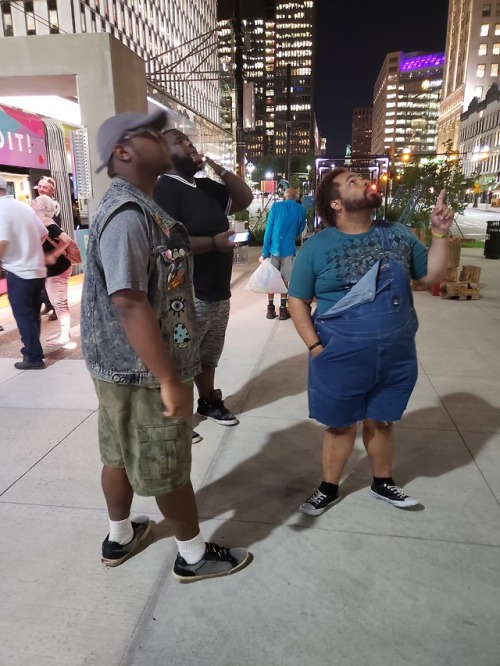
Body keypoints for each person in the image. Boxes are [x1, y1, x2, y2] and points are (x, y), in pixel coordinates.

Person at [80, 109, 251, 581]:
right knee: (166, 464)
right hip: (141, 372)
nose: (165, 139)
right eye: (152, 134)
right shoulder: (130, 215)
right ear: (125, 152)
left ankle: (120, 535)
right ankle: (193, 556)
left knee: (117, 452)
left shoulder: (145, 206)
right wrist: (169, 379)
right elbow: (130, 302)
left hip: (124, 368)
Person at [288, 167, 454, 516]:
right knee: (340, 424)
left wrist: (440, 233)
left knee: (381, 420)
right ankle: (329, 487)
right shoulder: (316, 246)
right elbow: (297, 300)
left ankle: (382, 482)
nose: (365, 182)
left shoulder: (398, 234)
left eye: (362, 178)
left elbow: (431, 276)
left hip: (396, 354)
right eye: (353, 182)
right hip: (338, 355)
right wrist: (316, 347)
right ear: (335, 203)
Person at [154, 130, 253, 440]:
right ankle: (176, 417)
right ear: (165, 154)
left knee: (209, 353)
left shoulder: (208, 186)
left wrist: (218, 167)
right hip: (185, 293)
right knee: (182, 357)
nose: (189, 144)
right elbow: (167, 244)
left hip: (217, 289)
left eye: (190, 141)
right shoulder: (164, 190)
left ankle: (208, 401)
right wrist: (213, 243)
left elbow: (245, 198)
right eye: (180, 142)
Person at [0, 176, 48, 369]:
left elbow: (2, 242)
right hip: (37, 270)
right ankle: (32, 351)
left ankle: (34, 357)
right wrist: (29, 250)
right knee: (33, 315)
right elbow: (43, 233)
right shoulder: (24, 207)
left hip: (19, 272)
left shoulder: (1, 210)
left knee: (24, 316)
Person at [260, 187, 306, 320]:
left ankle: (270, 309)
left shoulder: (276, 206)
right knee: (285, 280)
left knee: (272, 279)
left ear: (285, 196)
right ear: (296, 197)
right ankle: (283, 310)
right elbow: (300, 229)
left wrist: (264, 252)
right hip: (288, 249)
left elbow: (268, 230)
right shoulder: (300, 209)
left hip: (273, 249)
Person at [31, 195, 72, 346]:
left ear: (42, 207)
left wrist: (53, 256)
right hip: (53, 270)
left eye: (36, 200)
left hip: (58, 269)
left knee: (60, 303)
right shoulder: (42, 222)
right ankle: (63, 331)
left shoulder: (47, 223)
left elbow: (66, 240)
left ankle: (65, 334)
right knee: (56, 302)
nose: (32, 202)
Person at [36, 176, 60, 320]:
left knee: (54, 281)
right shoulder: (36, 203)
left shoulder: (54, 206)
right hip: (40, 249)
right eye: (39, 186)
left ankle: (58, 308)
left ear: (53, 190)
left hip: (51, 248)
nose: (41, 189)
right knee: (43, 279)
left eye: (45, 187)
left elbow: (53, 226)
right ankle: (48, 303)